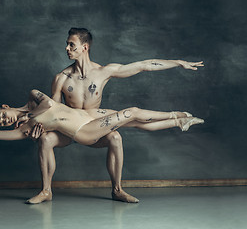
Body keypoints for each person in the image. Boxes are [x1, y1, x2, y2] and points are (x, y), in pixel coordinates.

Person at [28, 28, 204, 204]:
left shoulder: (103, 71)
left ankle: (117, 190)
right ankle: (46, 191)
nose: (67, 48)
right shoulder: (61, 78)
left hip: (95, 126)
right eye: (67, 44)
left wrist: (178, 62)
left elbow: (144, 65)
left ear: (85, 47)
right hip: (69, 130)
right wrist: (37, 130)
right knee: (45, 140)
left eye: (71, 45)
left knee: (116, 137)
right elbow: (53, 111)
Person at [0, 89, 204, 179]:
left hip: (91, 117)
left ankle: (180, 123)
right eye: (2, 123)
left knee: (135, 123)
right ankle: (175, 114)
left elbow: (47, 102)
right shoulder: (26, 129)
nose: (5, 121)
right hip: (85, 131)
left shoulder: (33, 99)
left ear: (5, 107)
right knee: (133, 112)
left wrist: (28, 114)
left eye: (2, 116)